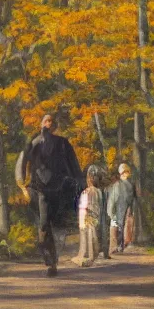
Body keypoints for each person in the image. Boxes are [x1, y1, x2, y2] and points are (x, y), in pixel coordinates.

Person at [19, 114, 83, 276]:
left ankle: (52, 260)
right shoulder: (34, 143)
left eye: (51, 122)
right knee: (44, 224)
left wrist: (80, 184)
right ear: (41, 124)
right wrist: (22, 185)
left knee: (58, 226)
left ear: (55, 126)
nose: (48, 124)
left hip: (60, 189)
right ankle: (51, 261)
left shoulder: (63, 143)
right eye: (46, 121)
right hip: (40, 190)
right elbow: (22, 161)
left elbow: (73, 164)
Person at [75, 166, 103, 267]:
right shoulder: (99, 192)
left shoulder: (86, 192)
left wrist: (82, 220)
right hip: (95, 218)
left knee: (88, 236)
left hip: (88, 218)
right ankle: (91, 256)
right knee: (93, 237)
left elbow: (83, 208)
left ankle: (88, 256)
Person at [107, 162, 138, 253]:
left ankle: (121, 246)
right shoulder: (117, 185)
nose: (126, 174)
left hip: (126, 209)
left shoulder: (130, 185)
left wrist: (131, 209)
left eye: (127, 172)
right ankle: (113, 247)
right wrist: (111, 211)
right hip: (116, 209)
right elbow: (112, 199)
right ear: (121, 173)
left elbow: (133, 198)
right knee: (115, 227)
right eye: (124, 172)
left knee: (124, 229)